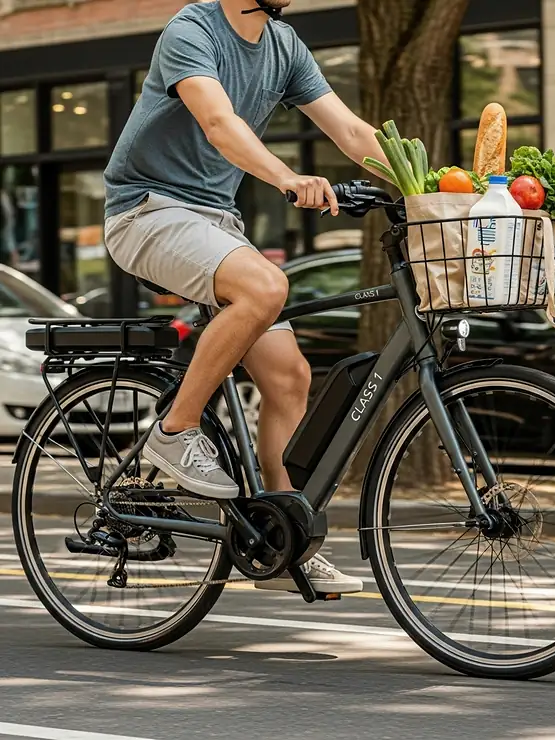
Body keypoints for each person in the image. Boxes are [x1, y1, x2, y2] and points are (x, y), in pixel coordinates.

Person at [103, 0, 390, 594]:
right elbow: (218, 122)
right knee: (266, 285)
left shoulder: (284, 45)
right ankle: (175, 432)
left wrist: (433, 188)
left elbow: (352, 131)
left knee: (288, 378)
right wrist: (287, 177)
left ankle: (282, 541)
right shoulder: (193, 29)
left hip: (214, 221)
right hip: (146, 211)